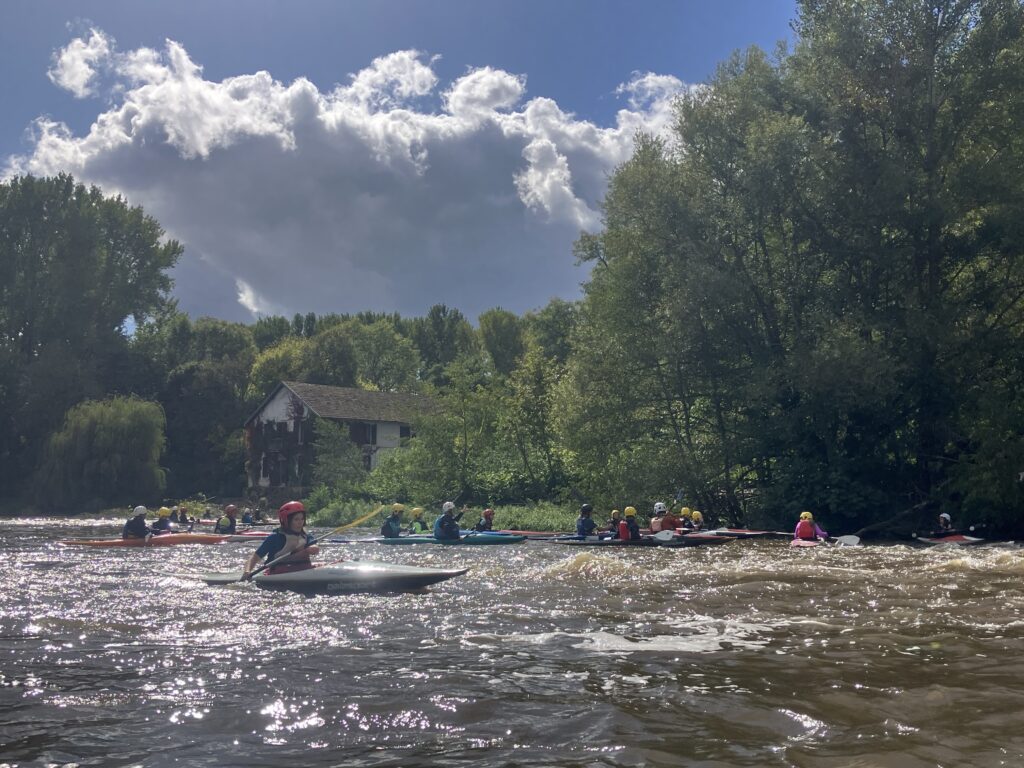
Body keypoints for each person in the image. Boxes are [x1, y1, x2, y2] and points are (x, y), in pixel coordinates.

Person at [244, 501, 319, 578]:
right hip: (278, 572)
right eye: (296, 519)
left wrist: (313, 548)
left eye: (302, 519)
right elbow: (255, 557)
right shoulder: (275, 538)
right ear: (287, 521)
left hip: (303, 568)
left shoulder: (306, 535)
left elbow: (314, 546)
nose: (300, 522)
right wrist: (247, 571)